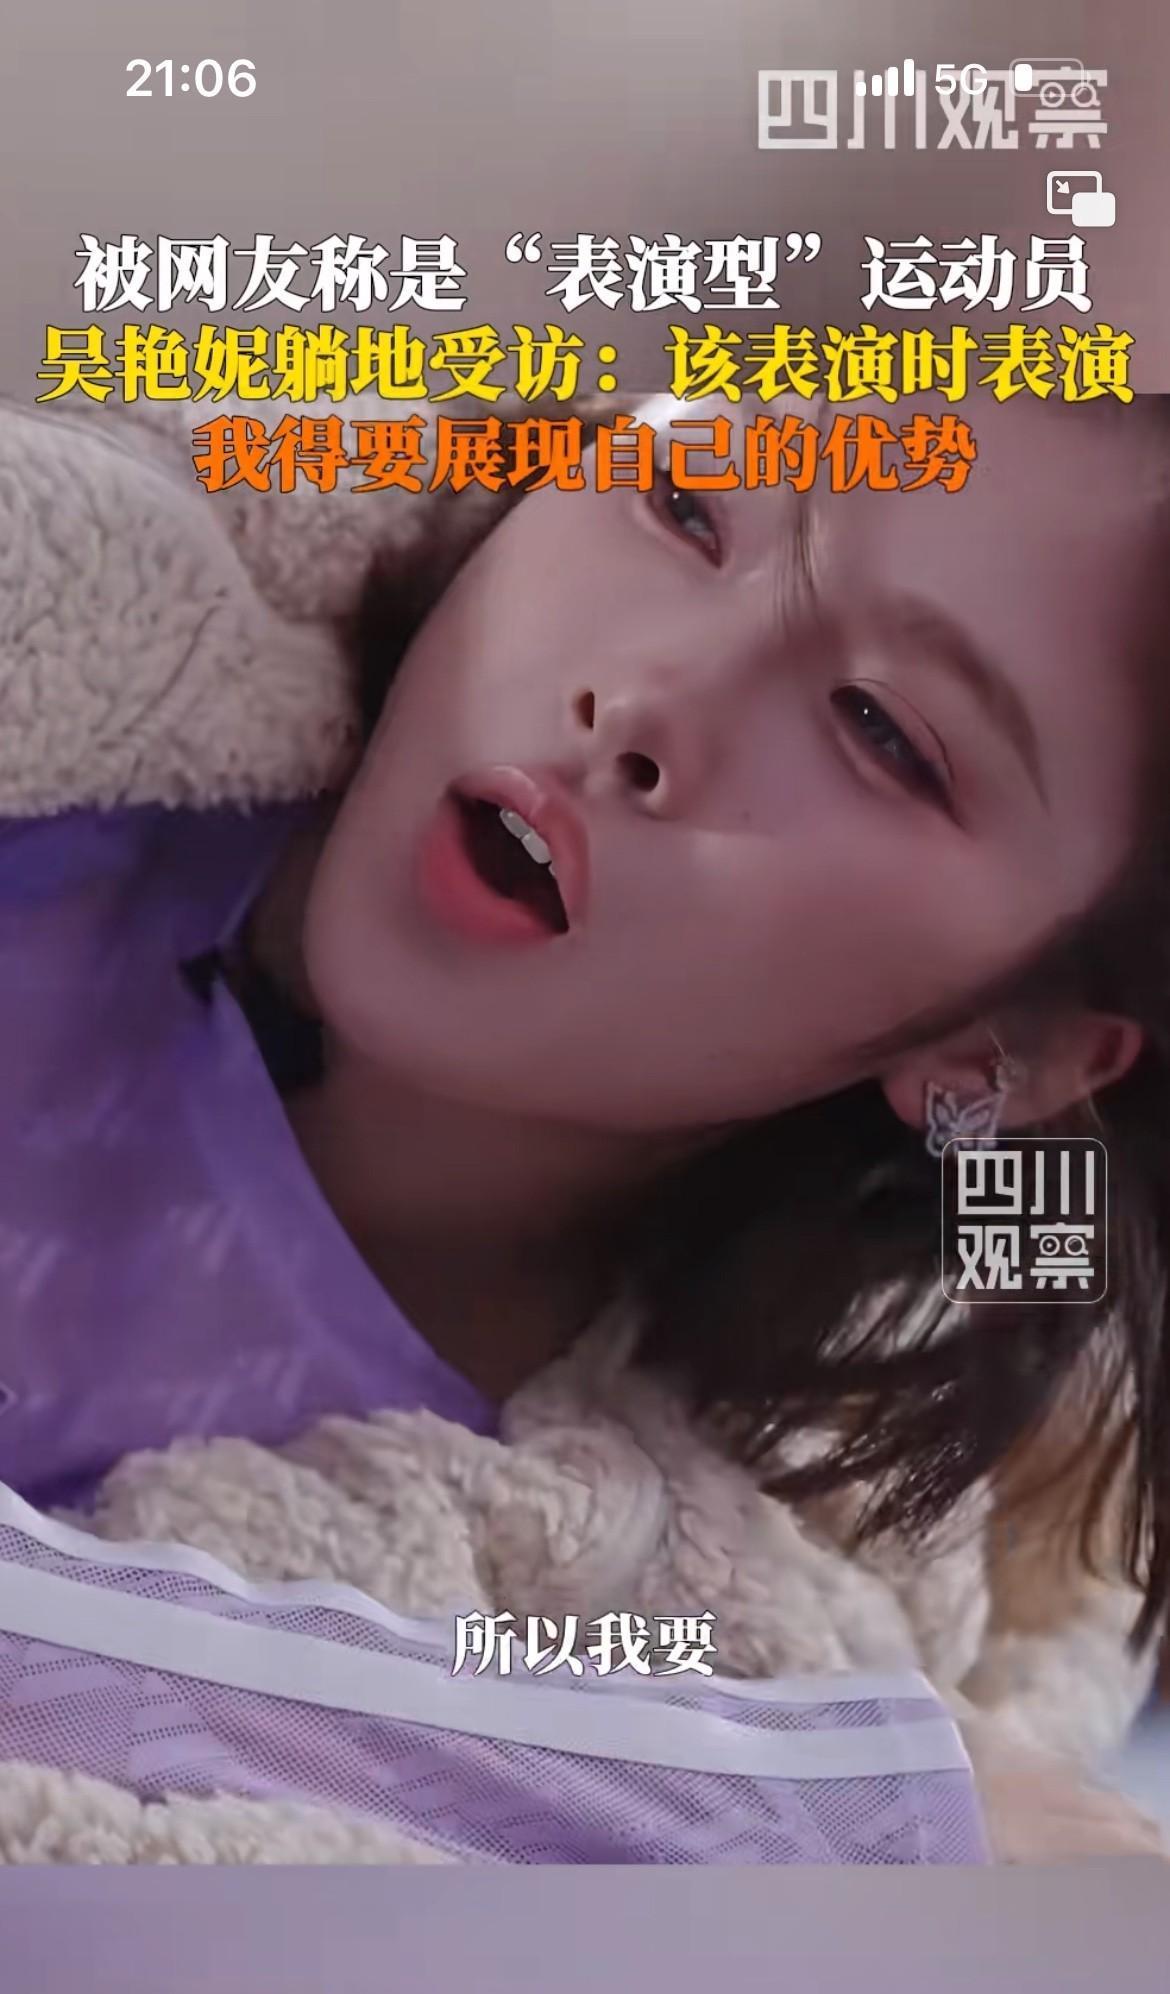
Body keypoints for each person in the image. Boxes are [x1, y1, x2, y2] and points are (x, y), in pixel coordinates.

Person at [2, 387, 1169, 1660]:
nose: (643, 702)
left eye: (881, 732)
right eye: (685, 506)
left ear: (1013, 1048)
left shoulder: (661, 1615)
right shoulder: (78, 691)